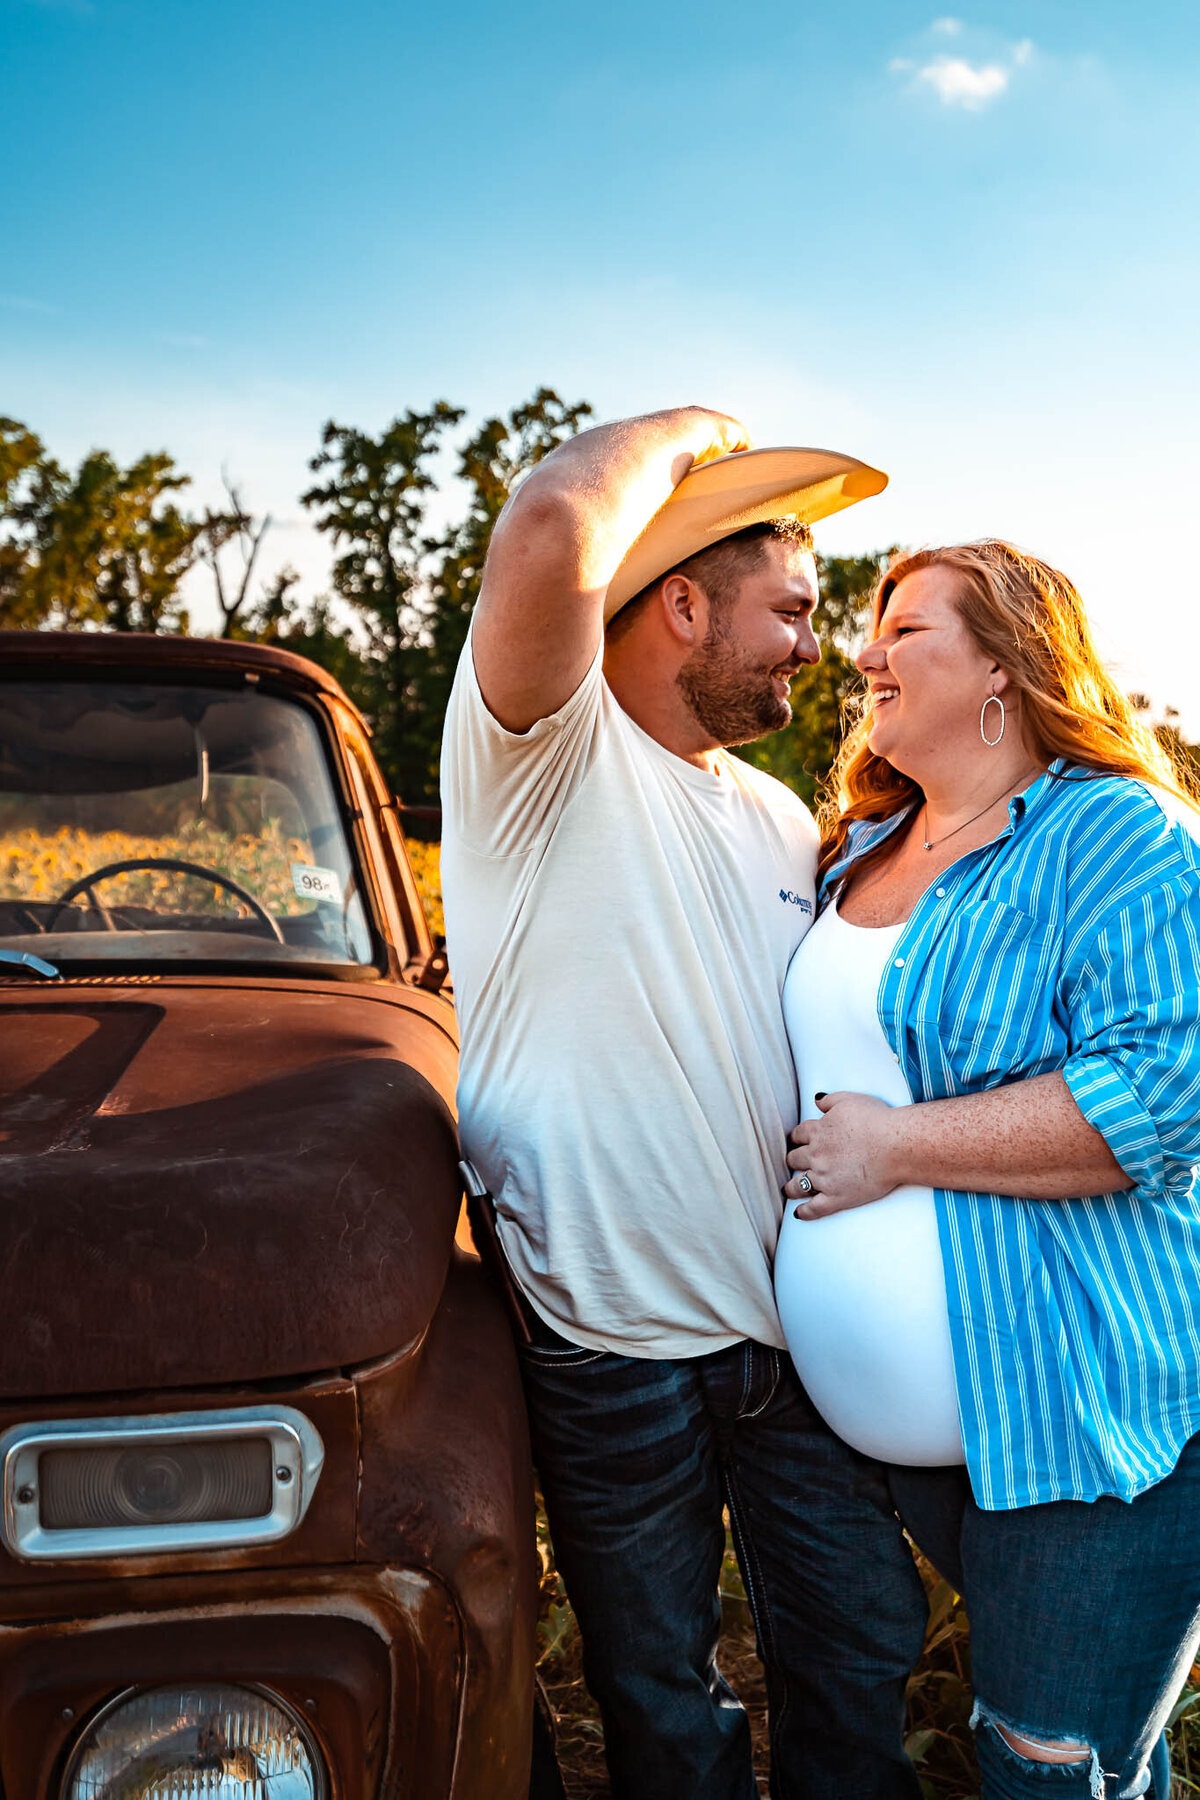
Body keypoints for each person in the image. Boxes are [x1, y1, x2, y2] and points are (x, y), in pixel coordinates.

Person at [439, 405, 938, 1800]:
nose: (816, 643)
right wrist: (694, 430)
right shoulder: (542, 759)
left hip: (790, 1337)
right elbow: (549, 527)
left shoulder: (778, 820)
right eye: (787, 609)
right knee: (665, 1692)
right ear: (678, 606)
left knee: (857, 1649)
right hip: (610, 1348)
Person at [778, 539, 1200, 1800]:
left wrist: (896, 1146)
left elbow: (1168, 1098)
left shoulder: (1117, 836)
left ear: (1007, 665)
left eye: (904, 628)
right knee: (1094, 1753)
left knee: (1046, 1773)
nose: (865, 654)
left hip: (1082, 1424)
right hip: (907, 1451)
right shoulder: (861, 845)